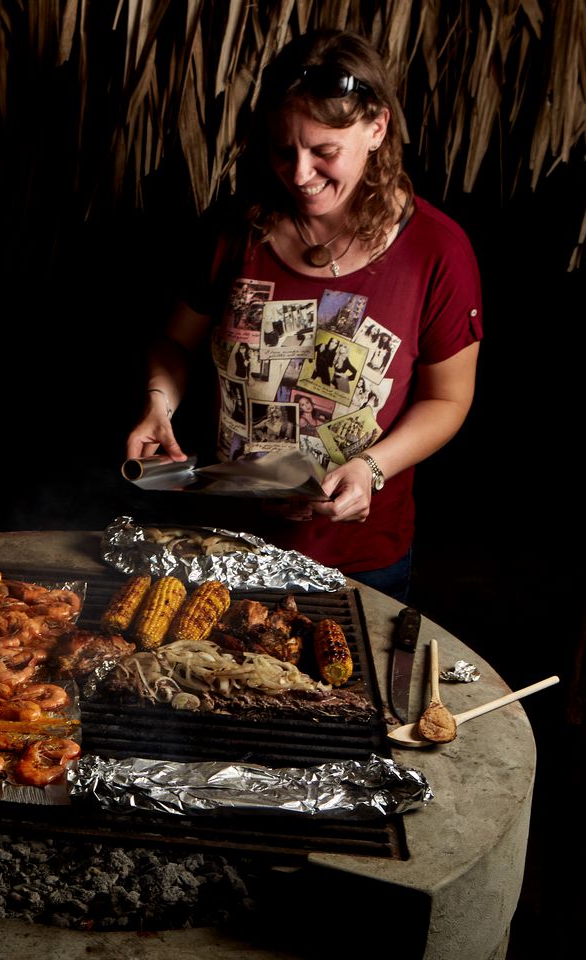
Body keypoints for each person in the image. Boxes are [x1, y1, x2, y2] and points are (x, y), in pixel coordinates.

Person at [126, 30, 482, 599]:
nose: (298, 174)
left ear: (377, 129)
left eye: (324, 151)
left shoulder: (438, 250)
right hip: (226, 545)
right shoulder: (235, 229)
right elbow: (175, 343)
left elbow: (448, 398)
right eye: (282, 149)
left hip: (359, 559)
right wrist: (158, 402)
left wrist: (373, 466)